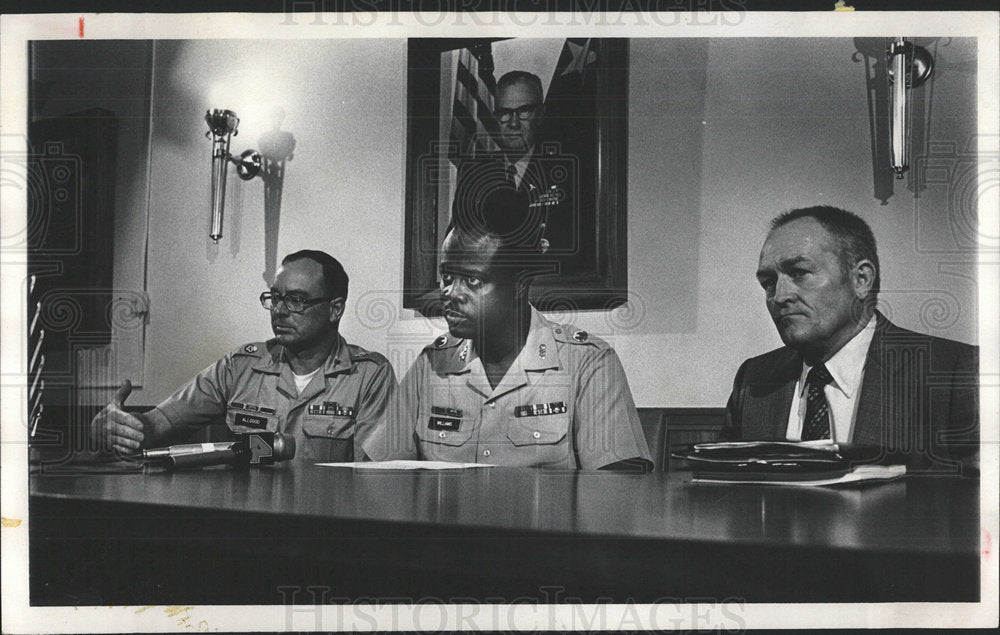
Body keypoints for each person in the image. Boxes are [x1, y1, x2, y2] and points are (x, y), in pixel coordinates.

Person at [364, 186, 652, 471]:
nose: (451, 292)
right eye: (447, 276)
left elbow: (617, 490)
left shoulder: (587, 363)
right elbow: (375, 474)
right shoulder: (432, 364)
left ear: (520, 285)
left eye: (473, 281)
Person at [721, 206, 979, 472]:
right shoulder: (754, 380)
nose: (779, 296)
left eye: (799, 272)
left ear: (861, 279)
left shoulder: (954, 372)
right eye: (768, 282)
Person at [91, 250, 396, 463]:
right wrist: (116, 429)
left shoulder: (368, 375)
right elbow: (156, 425)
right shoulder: (240, 367)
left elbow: (369, 476)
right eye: (275, 298)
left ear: (335, 309)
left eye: (296, 300)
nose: (279, 310)